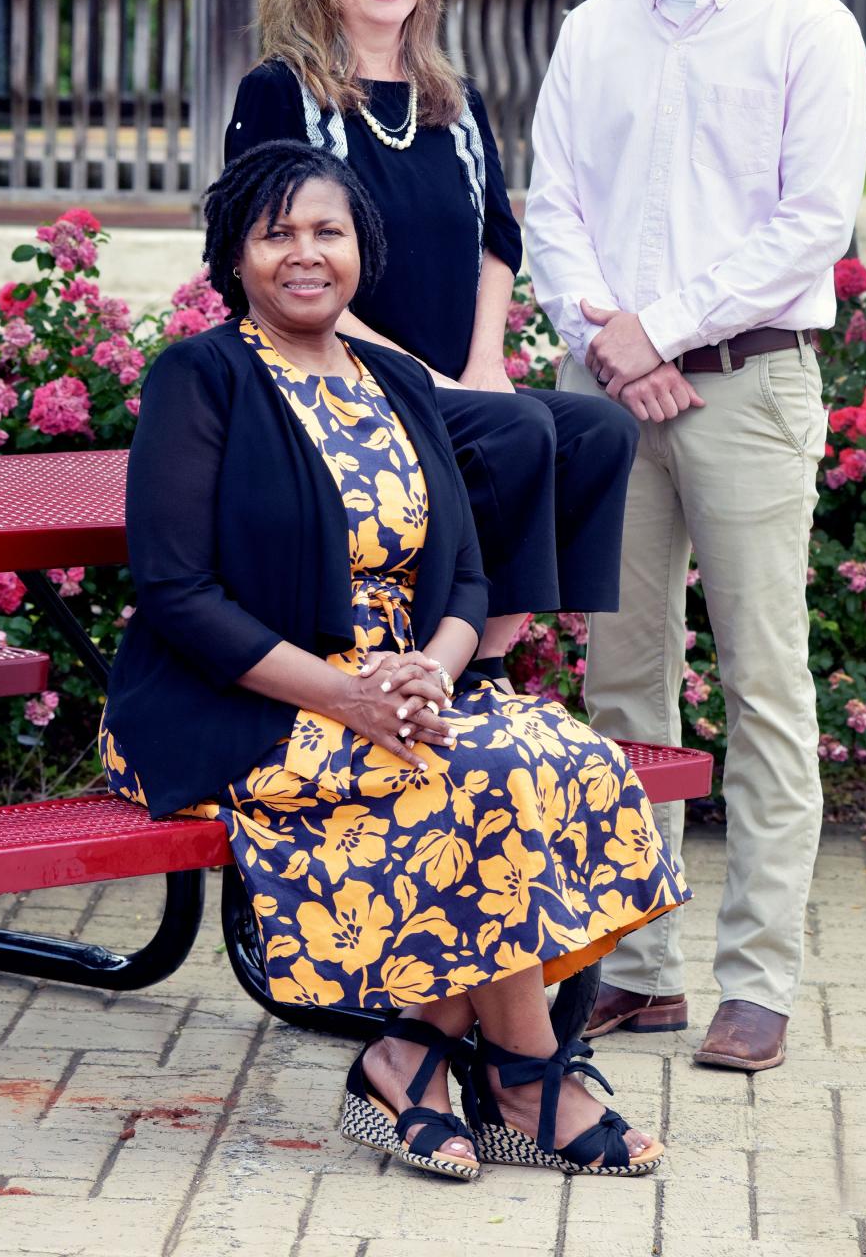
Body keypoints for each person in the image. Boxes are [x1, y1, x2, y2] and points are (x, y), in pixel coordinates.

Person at [100, 138, 689, 1180]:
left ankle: (407, 1056)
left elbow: (461, 573)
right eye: (275, 232)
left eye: (326, 231)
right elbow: (176, 593)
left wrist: (433, 663)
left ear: (358, 250)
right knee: (472, 776)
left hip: (398, 689)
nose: (304, 253)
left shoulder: (393, 381)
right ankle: (518, 1069)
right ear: (233, 253)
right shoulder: (203, 378)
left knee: (561, 756)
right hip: (235, 699)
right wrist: (346, 692)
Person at [524, 0, 866, 1071]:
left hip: (747, 383)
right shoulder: (589, 32)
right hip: (607, 400)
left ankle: (757, 981)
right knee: (620, 683)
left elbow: (808, 226)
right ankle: (636, 964)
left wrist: (650, 333)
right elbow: (550, 207)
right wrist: (613, 345)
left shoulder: (803, 27)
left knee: (760, 686)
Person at [223, 0, 638, 681]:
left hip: (452, 383)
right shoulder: (282, 92)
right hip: (335, 388)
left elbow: (497, 239)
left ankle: (493, 640)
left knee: (596, 428)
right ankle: (470, 670)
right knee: (517, 429)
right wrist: (425, 379)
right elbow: (273, 269)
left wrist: (483, 365)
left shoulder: (451, 98)